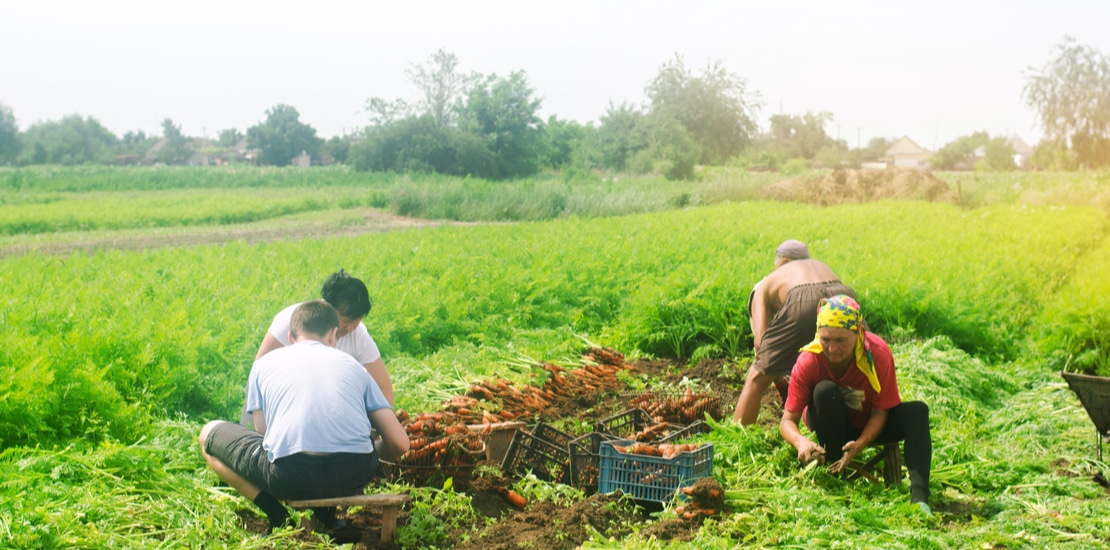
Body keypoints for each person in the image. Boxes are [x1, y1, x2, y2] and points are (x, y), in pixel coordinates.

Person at [200, 300, 410, 534]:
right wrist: (370, 448)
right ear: (333, 335)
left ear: (291, 337)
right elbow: (400, 443)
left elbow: (264, 436)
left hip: (290, 477)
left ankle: (277, 514)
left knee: (208, 433)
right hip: (353, 475)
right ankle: (326, 517)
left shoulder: (262, 366)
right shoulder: (355, 367)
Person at [778, 295, 932, 513]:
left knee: (917, 412)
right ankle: (833, 470)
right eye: (826, 339)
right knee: (824, 391)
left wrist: (860, 444)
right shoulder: (809, 360)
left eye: (841, 340)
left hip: (870, 421)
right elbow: (787, 421)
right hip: (829, 422)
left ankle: (920, 499)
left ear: (858, 332)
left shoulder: (877, 355)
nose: (832, 348)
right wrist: (800, 442)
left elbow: (881, 412)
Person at [240, 269, 394, 426]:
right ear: (326, 306)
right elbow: (258, 375)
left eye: (356, 323)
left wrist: (378, 427)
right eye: (346, 321)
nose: (350, 329)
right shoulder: (291, 321)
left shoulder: (358, 335)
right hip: (274, 409)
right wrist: (264, 429)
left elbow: (383, 388)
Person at [734, 240, 858, 425]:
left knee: (756, 378)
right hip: (842, 294)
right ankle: (865, 422)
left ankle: (739, 436)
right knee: (860, 359)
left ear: (782, 263)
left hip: (802, 299)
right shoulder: (817, 266)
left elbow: (761, 344)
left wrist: (774, 366)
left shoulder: (764, 284)